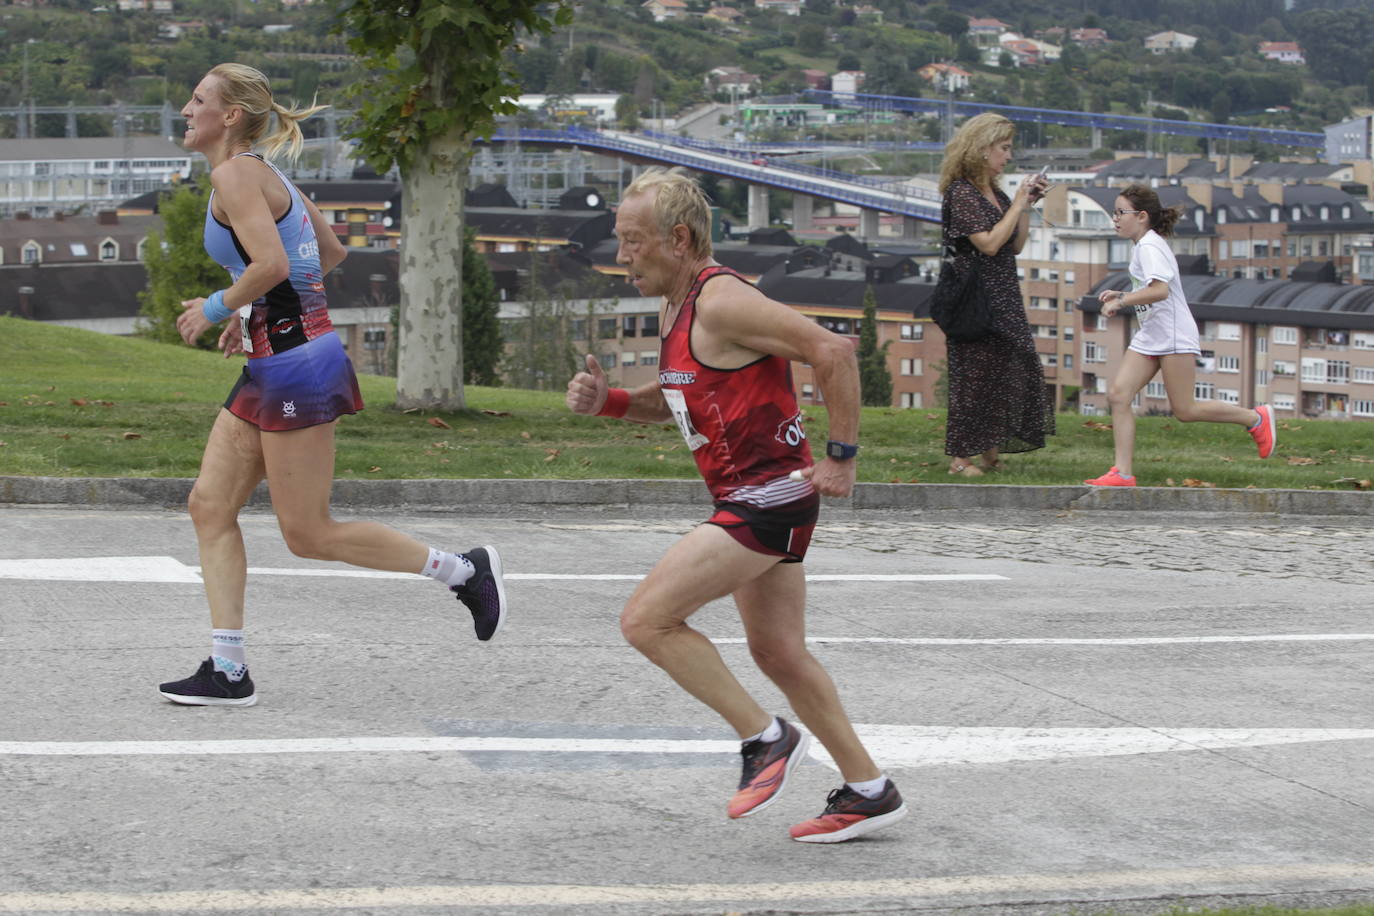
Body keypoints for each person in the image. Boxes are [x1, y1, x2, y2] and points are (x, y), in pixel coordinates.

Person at [565, 167, 906, 844]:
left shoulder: (721, 300)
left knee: (647, 621)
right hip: (755, 497)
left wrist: (841, 455)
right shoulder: (678, 304)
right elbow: (681, 399)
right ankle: (870, 790)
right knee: (779, 653)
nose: (622, 255)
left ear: (679, 239)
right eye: (620, 240)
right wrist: (608, 401)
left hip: (767, 497)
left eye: (633, 241)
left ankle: (765, 737)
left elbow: (832, 350)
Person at [159, 63, 507, 708]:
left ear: (229, 115)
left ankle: (464, 572)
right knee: (209, 505)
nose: (185, 108)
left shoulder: (236, 176)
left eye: (197, 98)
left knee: (309, 533)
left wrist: (214, 307)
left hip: (297, 365)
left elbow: (273, 263)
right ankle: (228, 669)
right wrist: (249, 311)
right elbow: (329, 253)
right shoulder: (261, 172)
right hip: (276, 360)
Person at [1085, 184, 1275, 487]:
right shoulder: (1144, 245)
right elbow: (1152, 289)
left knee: (1185, 410)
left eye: (1121, 212)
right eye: (1115, 212)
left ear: (1142, 216)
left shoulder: (1149, 246)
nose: (1115, 218)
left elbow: (1160, 290)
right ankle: (1122, 473)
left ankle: (1256, 418)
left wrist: (1121, 300)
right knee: (1118, 395)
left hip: (1172, 335)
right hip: (1152, 334)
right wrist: (1122, 293)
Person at [938, 113, 1054, 476]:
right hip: (975, 295)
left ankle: (990, 453)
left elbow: (1014, 245)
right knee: (974, 375)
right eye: (1004, 148)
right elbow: (988, 244)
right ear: (982, 148)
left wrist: (1026, 205)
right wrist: (1017, 204)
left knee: (1004, 370)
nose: (1008, 156)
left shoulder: (995, 193)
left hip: (1002, 291)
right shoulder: (962, 193)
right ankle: (960, 460)